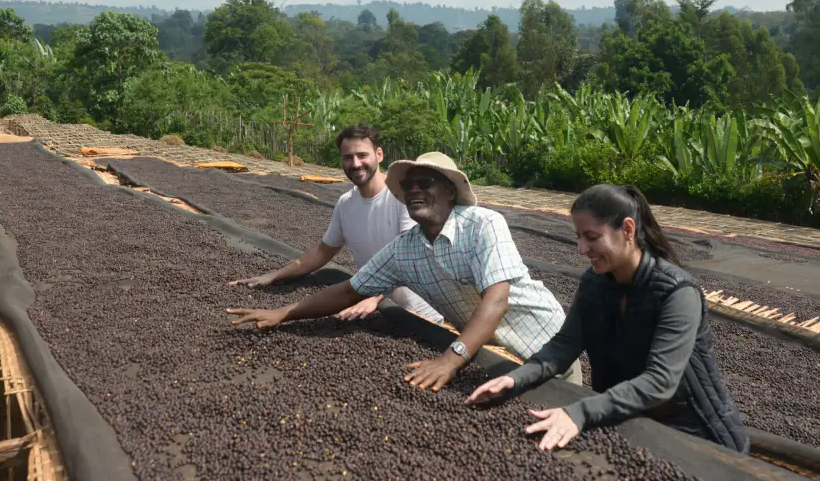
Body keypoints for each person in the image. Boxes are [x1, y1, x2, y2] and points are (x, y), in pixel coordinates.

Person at [227, 152, 580, 392]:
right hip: (492, 355)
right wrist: (283, 313)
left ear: (450, 192)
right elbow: (350, 291)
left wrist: (449, 361)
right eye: (408, 186)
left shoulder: (484, 224)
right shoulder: (404, 249)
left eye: (424, 183)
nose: (414, 190)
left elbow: (497, 299)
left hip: (547, 348)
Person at [465, 184, 749, 454]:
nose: (581, 249)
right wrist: (515, 379)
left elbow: (661, 381)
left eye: (592, 237)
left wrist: (580, 412)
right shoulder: (594, 283)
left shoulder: (677, 292)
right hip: (632, 424)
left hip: (700, 438)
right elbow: (565, 345)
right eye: (578, 236)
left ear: (627, 229)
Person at [227, 124, 443, 324]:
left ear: (379, 155)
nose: (355, 163)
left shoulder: (403, 199)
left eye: (362, 155)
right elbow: (323, 250)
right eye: (348, 157)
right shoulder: (346, 203)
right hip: (374, 311)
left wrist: (376, 298)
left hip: (420, 313)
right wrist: (274, 275)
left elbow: (408, 260)